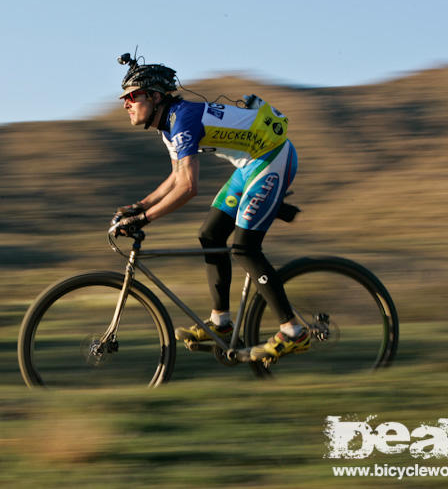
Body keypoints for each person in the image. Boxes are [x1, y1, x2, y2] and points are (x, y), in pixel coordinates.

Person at [110, 53, 309, 362]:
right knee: (211, 235)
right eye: (125, 97)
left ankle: (293, 331)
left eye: (133, 95)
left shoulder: (183, 120)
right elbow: (176, 177)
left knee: (244, 248)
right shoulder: (168, 126)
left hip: (272, 158)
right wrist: (138, 206)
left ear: (156, 96)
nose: (126, 102)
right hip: (250, 165)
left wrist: (144, 219)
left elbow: (189, 187)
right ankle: (222, 324)